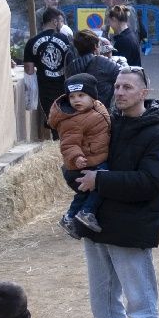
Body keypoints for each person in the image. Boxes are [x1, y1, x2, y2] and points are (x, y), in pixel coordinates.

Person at [75, 67, 159, 318]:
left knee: (139, 299)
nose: (119, 92)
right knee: (101, 299)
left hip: (131, 228)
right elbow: (84, 166)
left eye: (127, 87)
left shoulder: (158, 134)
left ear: (145, 92)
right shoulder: (106, 125)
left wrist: (100, 179)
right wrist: (73, 167)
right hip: (96, 225)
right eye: (116, 86)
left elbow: (151, 183)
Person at [47, 74, 111, 234]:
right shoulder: (71, 119)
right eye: (72, 97)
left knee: (83, 194)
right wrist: (77, 157)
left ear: (93, 97)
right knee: (103, 182)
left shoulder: (98, 107)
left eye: (81, 95)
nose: (76, 100)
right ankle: (87, 212)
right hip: (87, 162)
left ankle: (69, 217)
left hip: (95, 156)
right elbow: (68, 143)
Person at [22, 7, 76, 122]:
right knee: (66, 117)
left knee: (52, 117)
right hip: (64, 85)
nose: (61, 25)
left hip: (44, 86)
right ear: (54, 21)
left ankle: (55, 135)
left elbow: (29, 70)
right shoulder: (66, 40)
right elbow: (71, 65)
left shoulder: (32, 42)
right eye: (60, 21)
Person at [65, 29, 119, 108]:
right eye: (99, 45)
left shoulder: (70, 68)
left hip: (78, 113)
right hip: (102, 112)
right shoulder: (107, 63)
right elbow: (121, 81)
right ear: (95, 46)